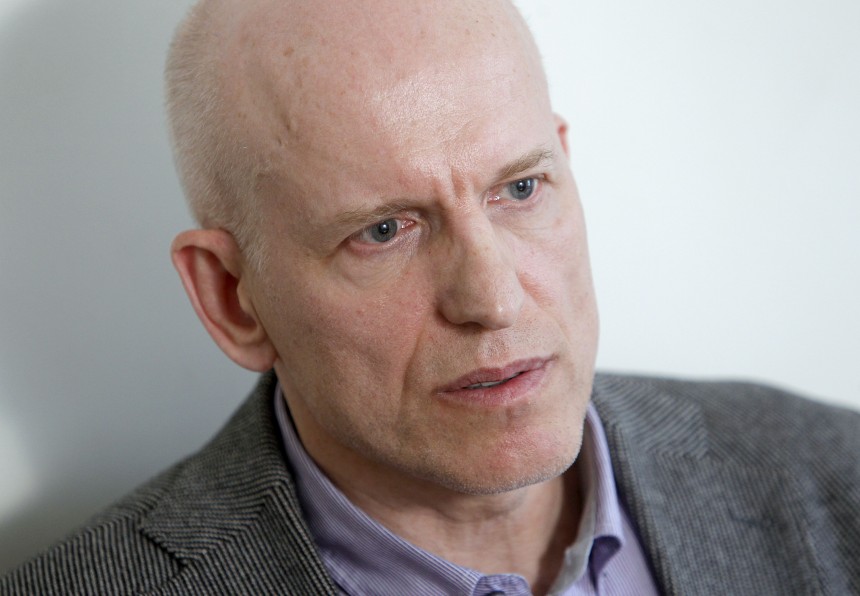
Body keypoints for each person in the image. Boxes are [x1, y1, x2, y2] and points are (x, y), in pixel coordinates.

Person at [2, 0, 858, 593]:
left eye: (519, 189)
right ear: (232, 298)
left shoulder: (835, 476)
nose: (493, 298)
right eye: (384, 230)